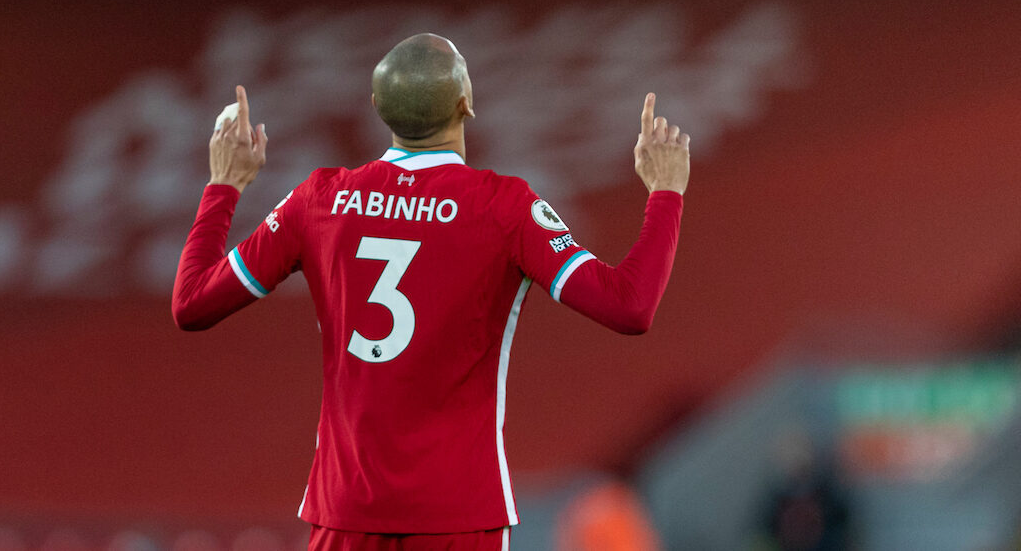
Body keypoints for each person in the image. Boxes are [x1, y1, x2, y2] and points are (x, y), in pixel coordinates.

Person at [172, 33, 690, 550]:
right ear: (467, 102)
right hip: (460, 515)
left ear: (376, 108)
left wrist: (225, 184)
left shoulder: (319, 201)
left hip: (346, 511)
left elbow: (192, 303)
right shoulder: (504, 208)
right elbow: (629, 304)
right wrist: (665, 192)